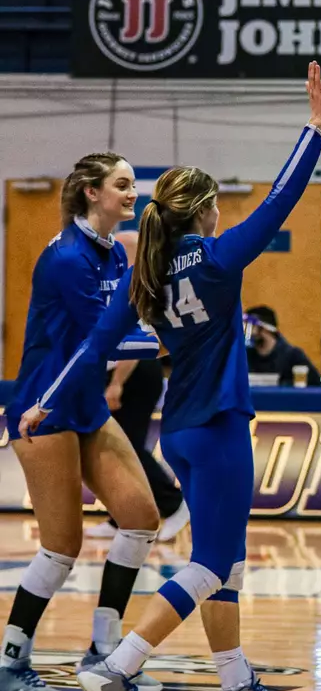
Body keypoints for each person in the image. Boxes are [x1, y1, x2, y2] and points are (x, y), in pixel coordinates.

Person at [20, 61, 321, 691]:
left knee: (229, 559)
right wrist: (314, 129)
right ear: (209, 211)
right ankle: (118, 665)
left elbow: (92, 351)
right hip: (218, 425)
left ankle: (237, 685)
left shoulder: (147, 278)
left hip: (179, 431)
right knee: (212, 561)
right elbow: (280, 200)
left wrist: (45, 401)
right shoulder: (215, 260)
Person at [0, 152, 162, 691]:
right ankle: (10, 662)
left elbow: (118, 329)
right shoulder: (69, 258)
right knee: (62, 546)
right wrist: (184, 336)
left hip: (84, 404)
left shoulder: (112, 250)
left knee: (141, 518)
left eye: (132, 184)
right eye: (122, 184)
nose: (131, 192)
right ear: (92, 193)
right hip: (42, 408)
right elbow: (110, 340)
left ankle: (105, 653)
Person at [87, 230, 190, 543]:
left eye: (122, 248)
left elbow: (138, 342)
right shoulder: (114, 285)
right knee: (109, 447)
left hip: (134, 370)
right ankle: (120, 514)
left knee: (127, 446)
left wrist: (116, 383)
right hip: (115, 370)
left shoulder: (141, 287)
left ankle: (173, 505)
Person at [245, 305, 321, 386]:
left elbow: (315, 384)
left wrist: (286, 385)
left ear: (265, 328)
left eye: (251, 327)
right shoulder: (245, 356)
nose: (247, 332)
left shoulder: (292, 355)